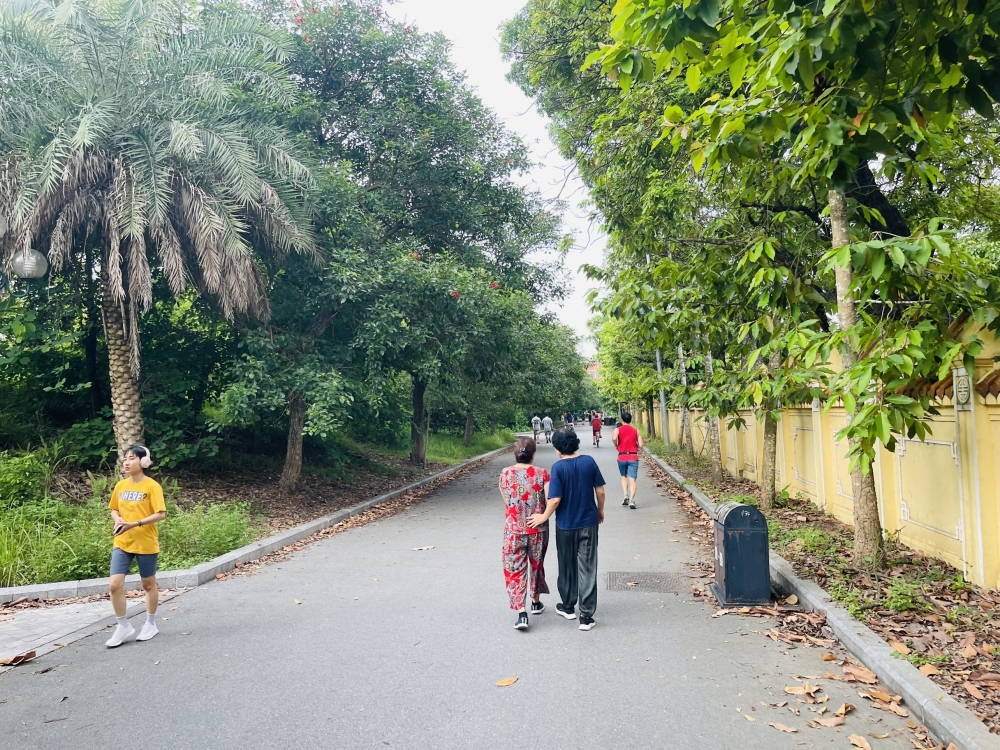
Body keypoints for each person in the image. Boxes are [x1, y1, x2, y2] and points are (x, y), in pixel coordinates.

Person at [529, 427, 605, 631]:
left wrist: (543, 517)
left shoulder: (558, 468)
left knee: (567, 565)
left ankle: (568, 606)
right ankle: (587, 616)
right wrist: (600, 511)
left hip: (565, 525)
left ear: (557, 449)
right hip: (588, 522)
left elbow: (555, 499)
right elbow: (600, 490)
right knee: (588, 567)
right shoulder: (588, 461)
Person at [106, 445, 167, 647]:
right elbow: (114, 509)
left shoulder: (152, 486)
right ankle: (123, 626)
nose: (126, 462)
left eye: (131, 458)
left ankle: (150, 624)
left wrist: (136, 523)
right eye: (125, 458)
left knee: (148, 585)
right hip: (122, 541)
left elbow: (161, 513)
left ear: (143, 462)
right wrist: (118, 520)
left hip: (145, 542)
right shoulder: (121, 486)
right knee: (114, 585)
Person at [498, 438, 550, 630]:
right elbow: (550, 498)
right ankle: (536, 602)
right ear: (534, 454)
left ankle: (522, 612)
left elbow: (507, 500)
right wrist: (542, 515)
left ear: (515, 453)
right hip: (537, 528)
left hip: (513, 530)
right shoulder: (543, 474)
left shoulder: (505, 474)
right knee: (536, 565)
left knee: (515, 569)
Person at [612, 412, 644, 510]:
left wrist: (616, 445)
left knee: (623, 476)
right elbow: (641, 445)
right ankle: (631, 500)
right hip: (633, 457)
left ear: (622, 420)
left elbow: (614, 438)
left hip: (622, 457)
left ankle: (626, 495)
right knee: (633, 479)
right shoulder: (636, 431)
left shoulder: (617, 429)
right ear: (631, 420)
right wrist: (635, 444)